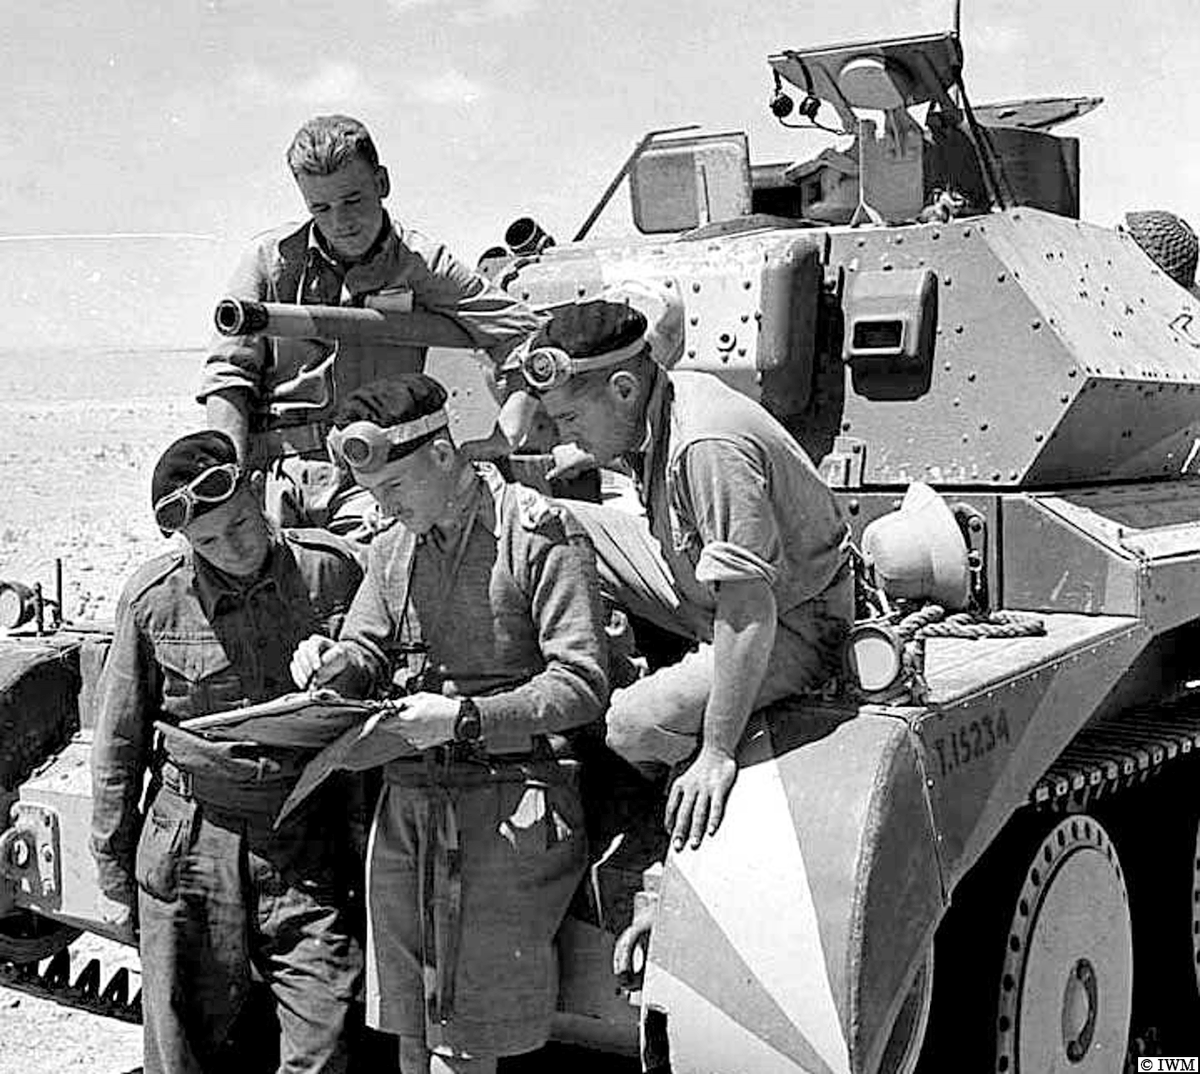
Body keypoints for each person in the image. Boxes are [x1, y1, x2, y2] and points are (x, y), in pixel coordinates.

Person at [289, 376, 608, 1074]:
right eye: (374, 495)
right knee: (409, 1027)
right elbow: (368, 648)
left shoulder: (539, 534)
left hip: (507, 807)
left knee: (466, 1042)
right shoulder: (396, 540)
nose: (385, 505)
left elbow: (582, 685)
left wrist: (463, 719)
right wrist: (332, 661)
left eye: (394, 487)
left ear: (441, 456)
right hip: (410, 804)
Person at [513, 295, 853, 852]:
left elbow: (749, 613)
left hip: (794, 624)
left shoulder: (705, 445)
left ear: (623, 388)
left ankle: (673, 784)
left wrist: (717, 751)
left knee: (631, 725)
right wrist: (589, 452)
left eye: (571, 419)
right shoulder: (658, 397)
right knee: (556, 524)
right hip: (702, 584)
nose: (566, 435)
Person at [90, 431, 365, 1074]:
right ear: (187, 542)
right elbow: (119, 743)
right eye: (210, 540)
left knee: (325, 1039)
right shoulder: (153, 600)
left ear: (259, 494)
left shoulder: (331, 570)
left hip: (302, 836)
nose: (235, 548)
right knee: (184, 1045)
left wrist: (346, 667)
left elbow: (382, 668)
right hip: (192, 840)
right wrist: (112, 872)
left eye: (242, 524)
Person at [199, 114, 543, 540]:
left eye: (353, 200)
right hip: (276, 474)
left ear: (381, 183)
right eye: (320, 208)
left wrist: (508, 429)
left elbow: (523, 330)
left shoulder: (420, 264)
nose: (340, 222)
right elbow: (228, 377)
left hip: (378, 474)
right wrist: (227, 484)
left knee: (369, 585)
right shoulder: (271, 261)